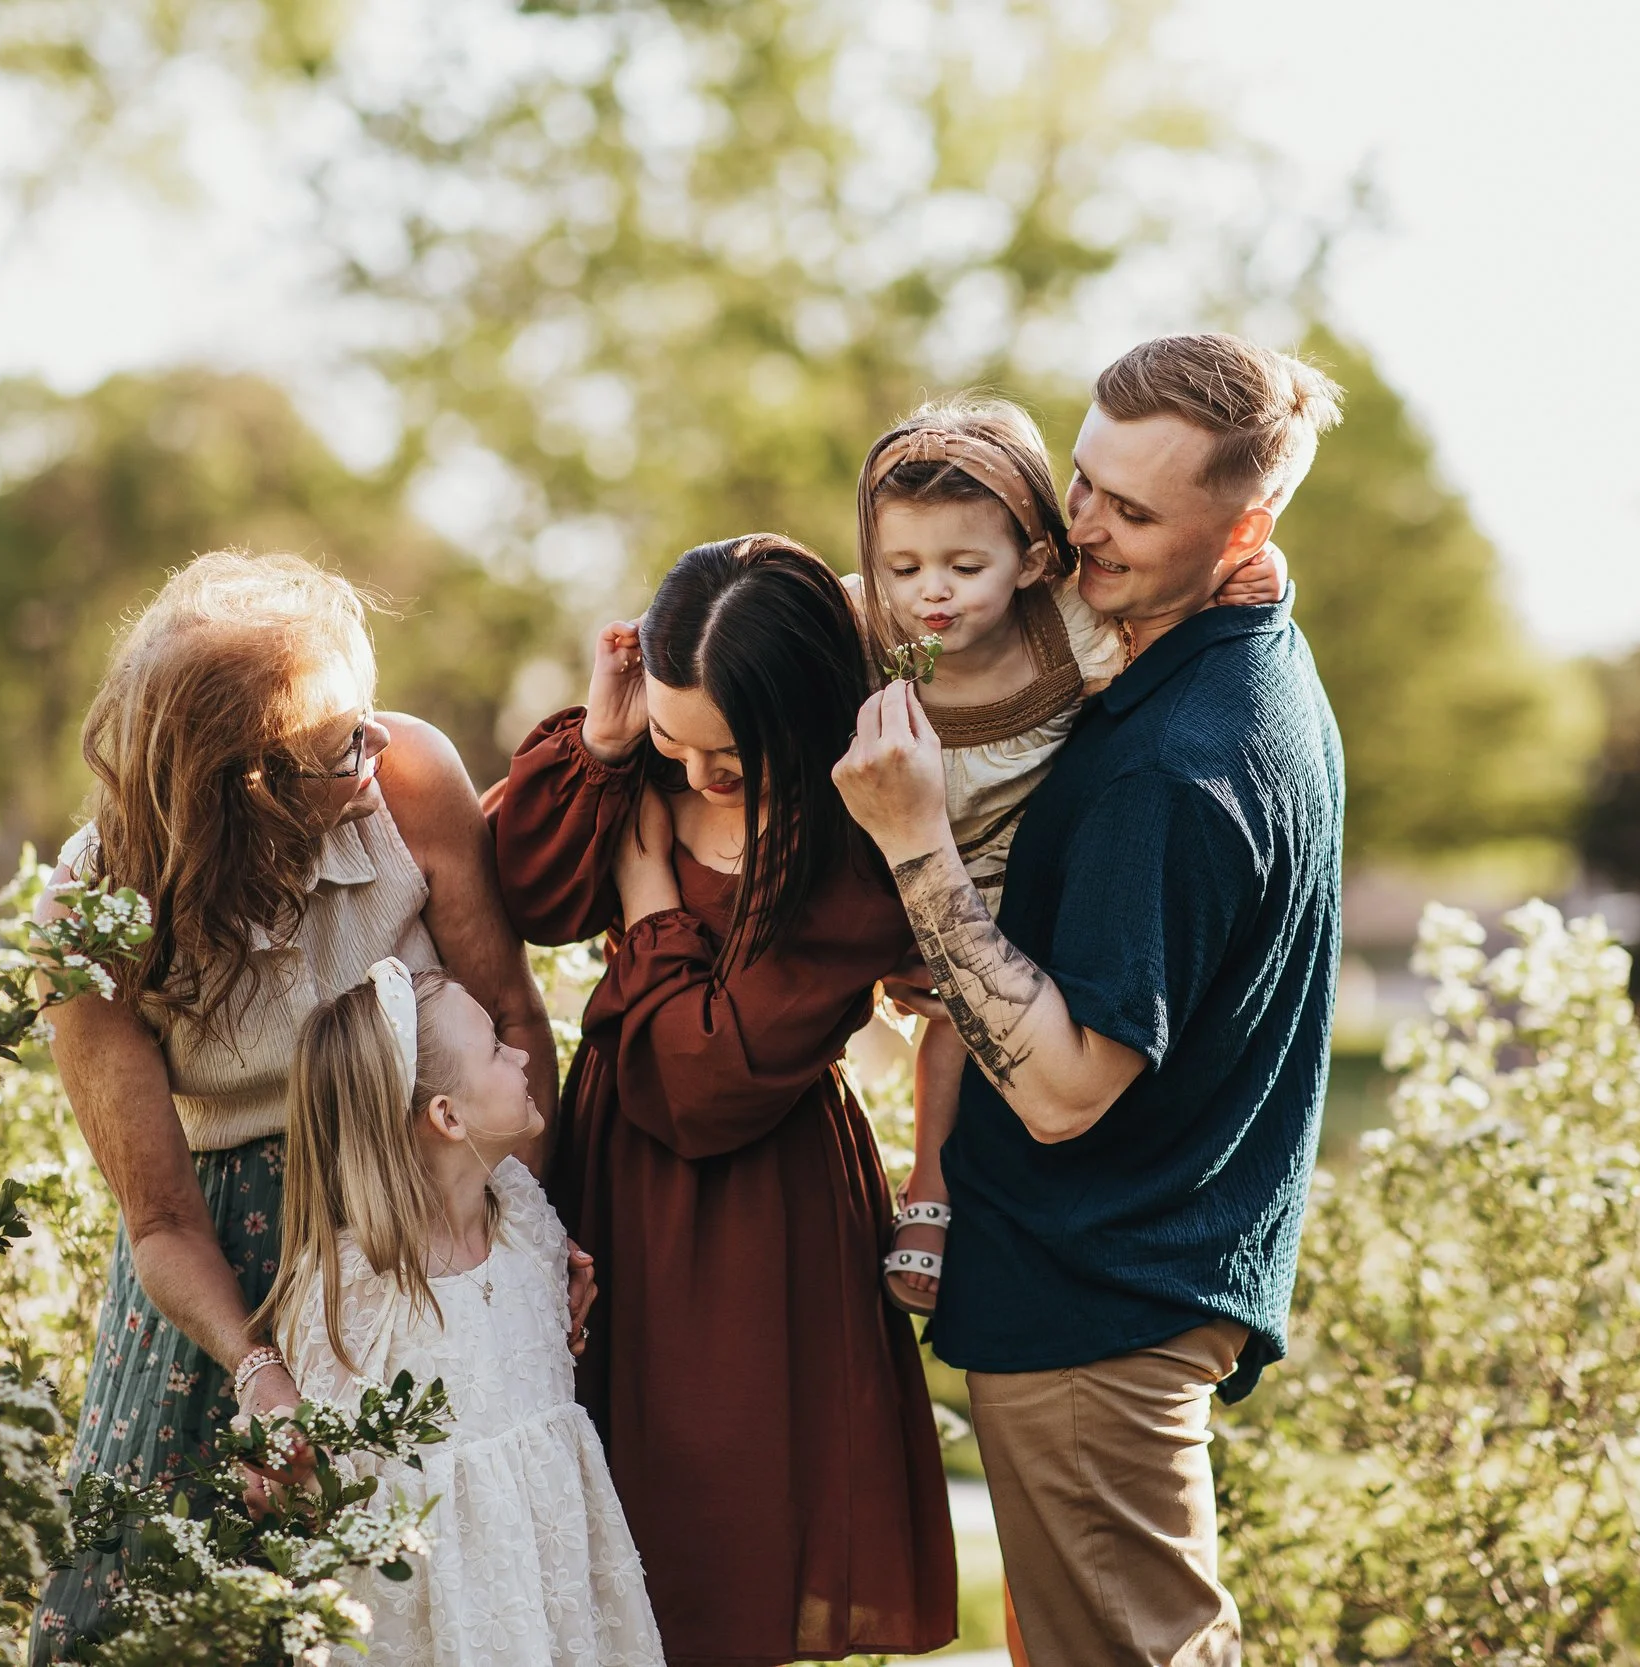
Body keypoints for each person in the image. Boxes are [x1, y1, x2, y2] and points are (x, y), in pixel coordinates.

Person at [832, 333, 1347, 1666]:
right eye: (1083, 479)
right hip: (1128, 1284)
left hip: (1098, 1308)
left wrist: (914, 844)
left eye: (1133, 509)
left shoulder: (1174, 768)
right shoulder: (1237, 647)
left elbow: (1063, 1089)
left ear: (1246, 528)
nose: (1084, 526)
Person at [29, 551, 582, 1661]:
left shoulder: (408, 782)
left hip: (420, 1227)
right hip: (232, 1273)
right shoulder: (89, 926)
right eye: (341, 747)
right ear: (241, 787)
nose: (377, 751)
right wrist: (261, 1371)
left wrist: (524, 1229)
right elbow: (159, 1220)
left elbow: (512, 1018)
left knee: (433, 1592)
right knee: (177, 1612)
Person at [488, 534, 957, 1666]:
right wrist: (604, 747)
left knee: (720, 1530)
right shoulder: (635, 766)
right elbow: (526, 891)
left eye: (729, 757)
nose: (695, 778)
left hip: (757, 1207)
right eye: (672, 739)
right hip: (607, 1180)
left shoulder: (847, 855)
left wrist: (647, 898)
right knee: (592, 1533)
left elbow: (705, 1081)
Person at [842, 395, 1287, 1314]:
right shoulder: (864, 632)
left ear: (1033, 560)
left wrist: (1257, 576)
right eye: (904, 566)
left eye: (967, 565)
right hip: (884, 846)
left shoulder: (1066, 626)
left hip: (1005, 869)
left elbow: (1174, 601)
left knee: (964, 1026)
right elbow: (752, 630)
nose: (933, 591)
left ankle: (930, 1187)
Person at [256, 958, 664, 1667]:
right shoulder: (351, 1290)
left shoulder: (527, 1221)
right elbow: (321, 1487)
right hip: (444, 1625)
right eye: (498, 1048)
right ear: (447, 1116)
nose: (525, 1051)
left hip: (559, 1588)